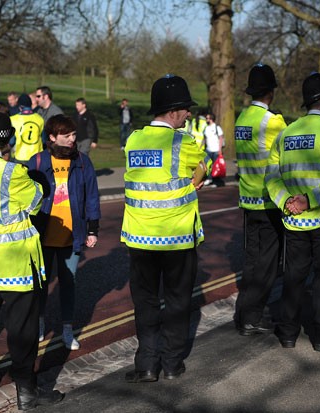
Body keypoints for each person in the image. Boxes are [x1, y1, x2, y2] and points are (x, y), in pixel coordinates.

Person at [0, 111, 64, 409]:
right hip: (14, 262)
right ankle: (27, 391)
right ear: (9, 139)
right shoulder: (12, 172)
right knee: (22, 330)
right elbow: (35, 203)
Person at [121, 74, 211, 382]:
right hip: (176, 237)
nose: (189, 114)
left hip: (139, 236)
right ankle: (172, 363)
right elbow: (203, 166)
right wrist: (196, 176)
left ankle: (146, 363)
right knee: (177, 300)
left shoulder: (133, 140)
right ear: (173, 111)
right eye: (186, 109)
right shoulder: (183, 141)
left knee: (145, 302)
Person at [265, 72, 320, 351]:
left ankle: (288, 332)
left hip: (294, 222)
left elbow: (271, 177)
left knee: (293, 278)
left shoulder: (286, 133)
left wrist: (287, 203)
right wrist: (310, 200)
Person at [26, 114, 100, 351]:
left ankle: (67, 330)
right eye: (66, 135)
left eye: (74, 134)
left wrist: (93, 229)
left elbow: (92, 196)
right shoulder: (36, 161)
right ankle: (39, 324)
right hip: (42, 235)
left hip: (73, 235)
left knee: (69, 283)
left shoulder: (82, 161)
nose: (72, 139)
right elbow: (25, 198)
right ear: (51, 137)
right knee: (40, 284)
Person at [233, 63, 287, 336]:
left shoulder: (242, 118)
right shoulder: (273, 121)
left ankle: (243, 313)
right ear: (270, 92)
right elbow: (288, 156)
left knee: (252, 261)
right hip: (268, 200)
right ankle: (251, 317)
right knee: (267, 266)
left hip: (247, 199)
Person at [10, 94, 45, 163]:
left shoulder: (13, 119)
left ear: (20, 107)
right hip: (37, 156)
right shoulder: (40, 119)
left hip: (20, 156)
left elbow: (11, 142)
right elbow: (43, 140)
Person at [203, 112, 224, 186]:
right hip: (208, 150)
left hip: (215, 150)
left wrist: (220, 149)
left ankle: (216, 181)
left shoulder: (217, 127)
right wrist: (200, 147)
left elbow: (221, 138)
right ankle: (209, 179)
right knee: (207, 165)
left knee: (216, 166)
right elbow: (204, 138)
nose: (206, 120)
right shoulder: (206, 128)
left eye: (208, 118)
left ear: (211, 119)